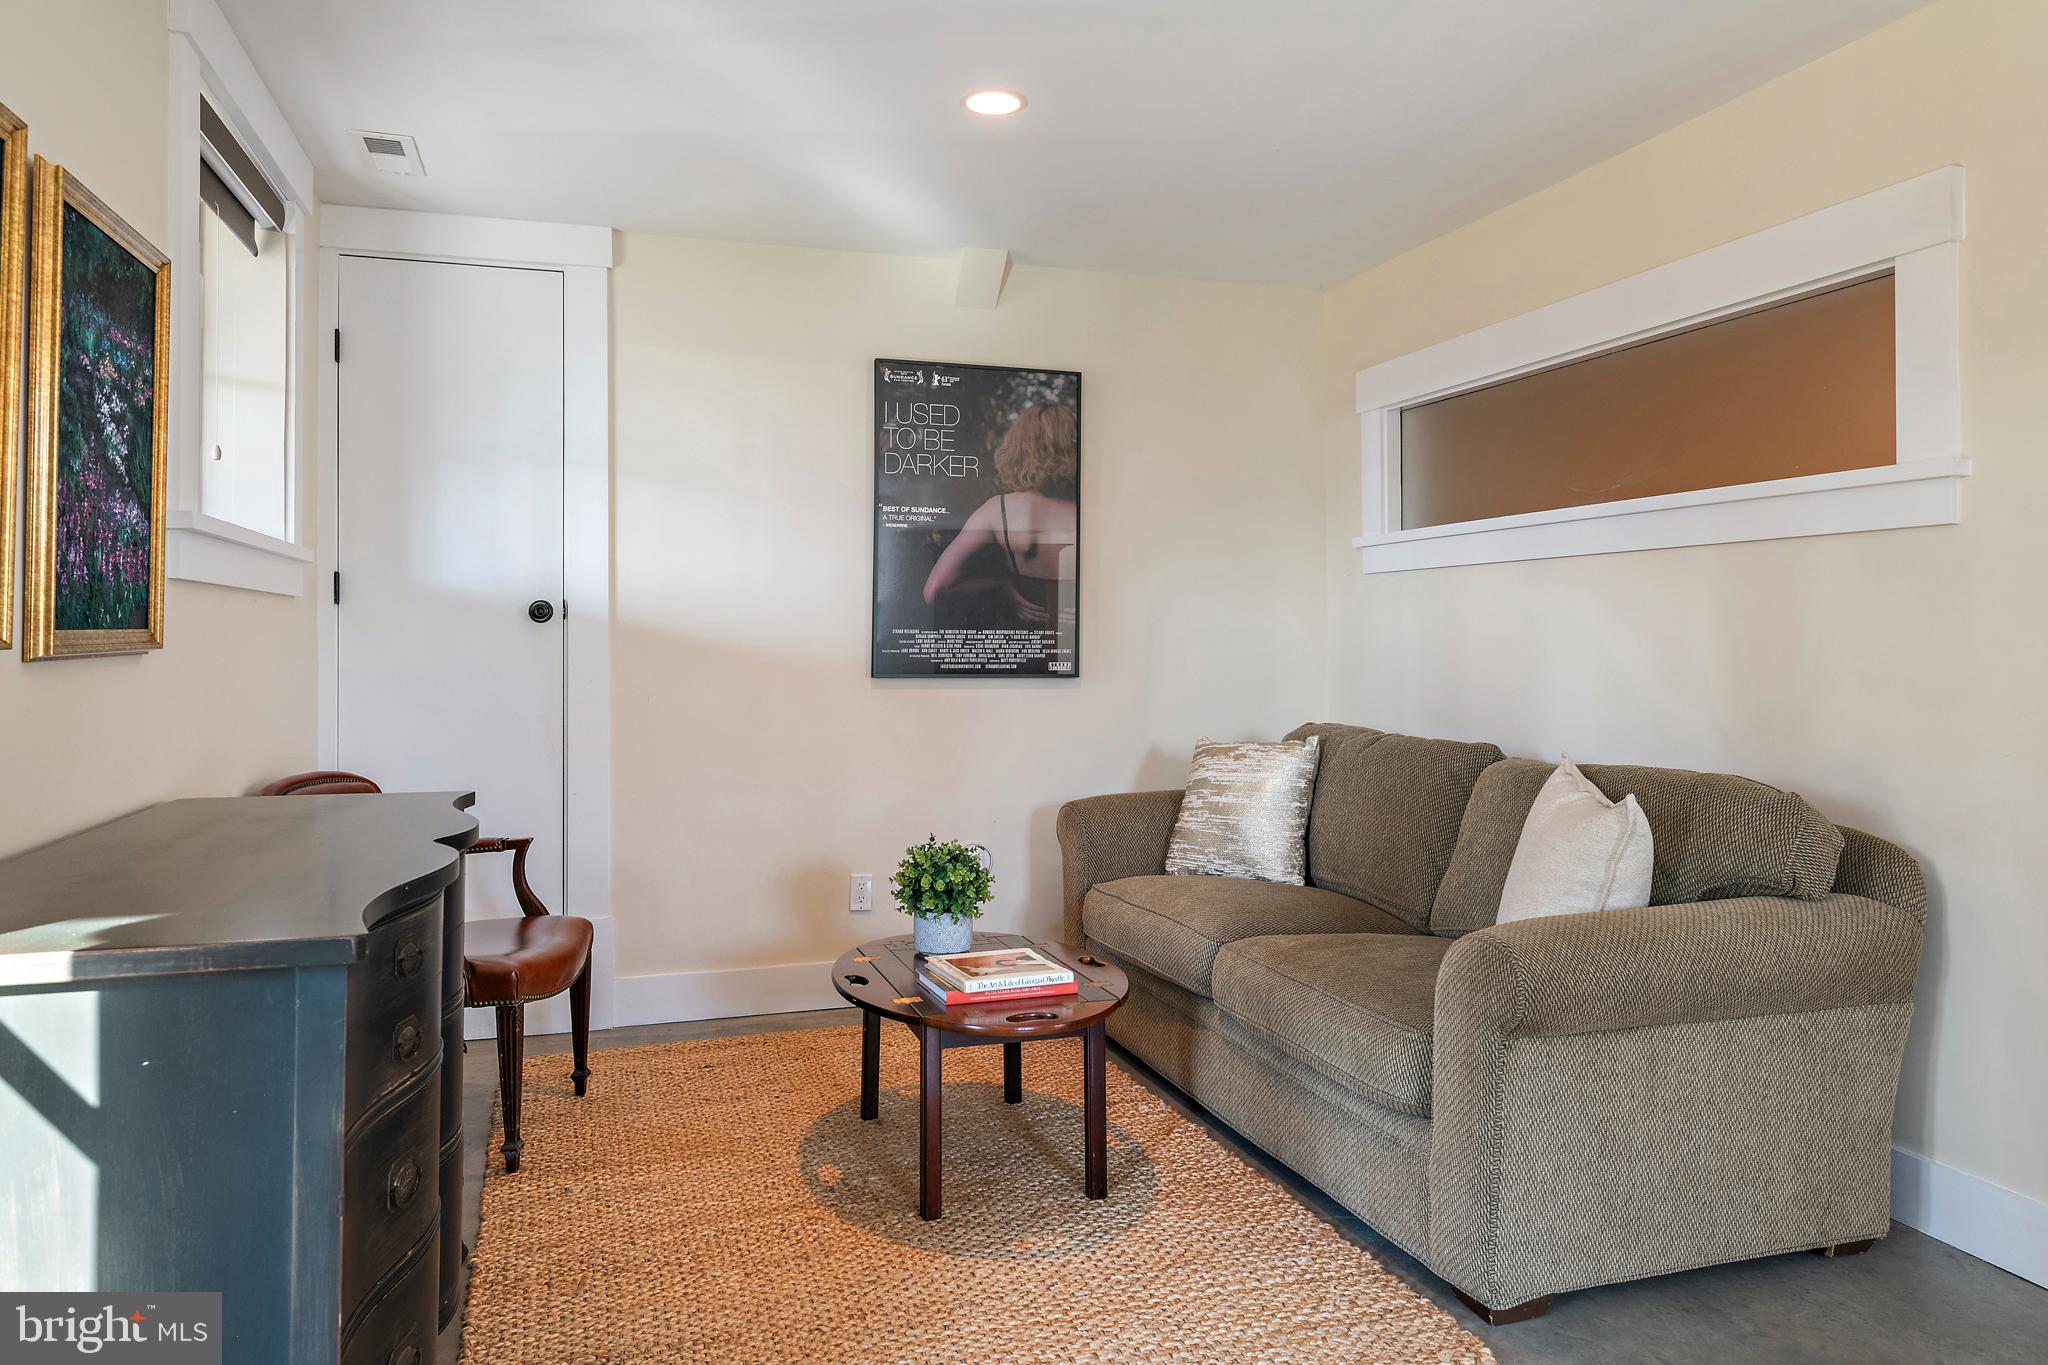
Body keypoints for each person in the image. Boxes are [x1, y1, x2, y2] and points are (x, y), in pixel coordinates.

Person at [921, 402, 1077, 629]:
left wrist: (1000, 587)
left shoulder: (998, 509)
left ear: (1019, 447)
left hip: (1025, 645)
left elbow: (934, 590)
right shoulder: (1095, 509)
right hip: (1084, 642)